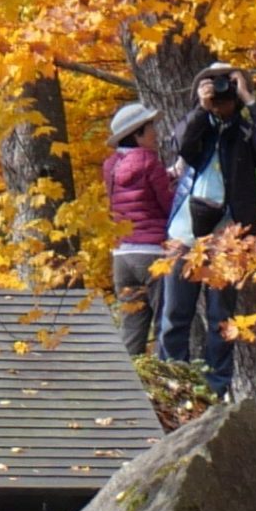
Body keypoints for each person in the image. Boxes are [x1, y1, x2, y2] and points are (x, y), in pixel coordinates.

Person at [161, 63, 256, 398]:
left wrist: (247, 96)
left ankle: (216, 388)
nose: (221, 94)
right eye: (213, 85)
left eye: (226, 87)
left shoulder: (244, 134)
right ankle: (173, 382)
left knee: (221, 317)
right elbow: (181, 141)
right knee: (176, 313)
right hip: (185, 234)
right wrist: (203, 108)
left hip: (229, 238)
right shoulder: (198, 127)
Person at [103, 101, 175, 361]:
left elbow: (133, 195)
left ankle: (127, 380)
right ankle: (168, 377)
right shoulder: (148, 161)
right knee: (166, 323)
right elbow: (168, 205)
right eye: (151, 127)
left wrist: (167, 176)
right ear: (137, 134)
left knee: (131, 328)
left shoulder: (111, 166)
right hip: (152, 253)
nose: (156, 132)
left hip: (122, 256)